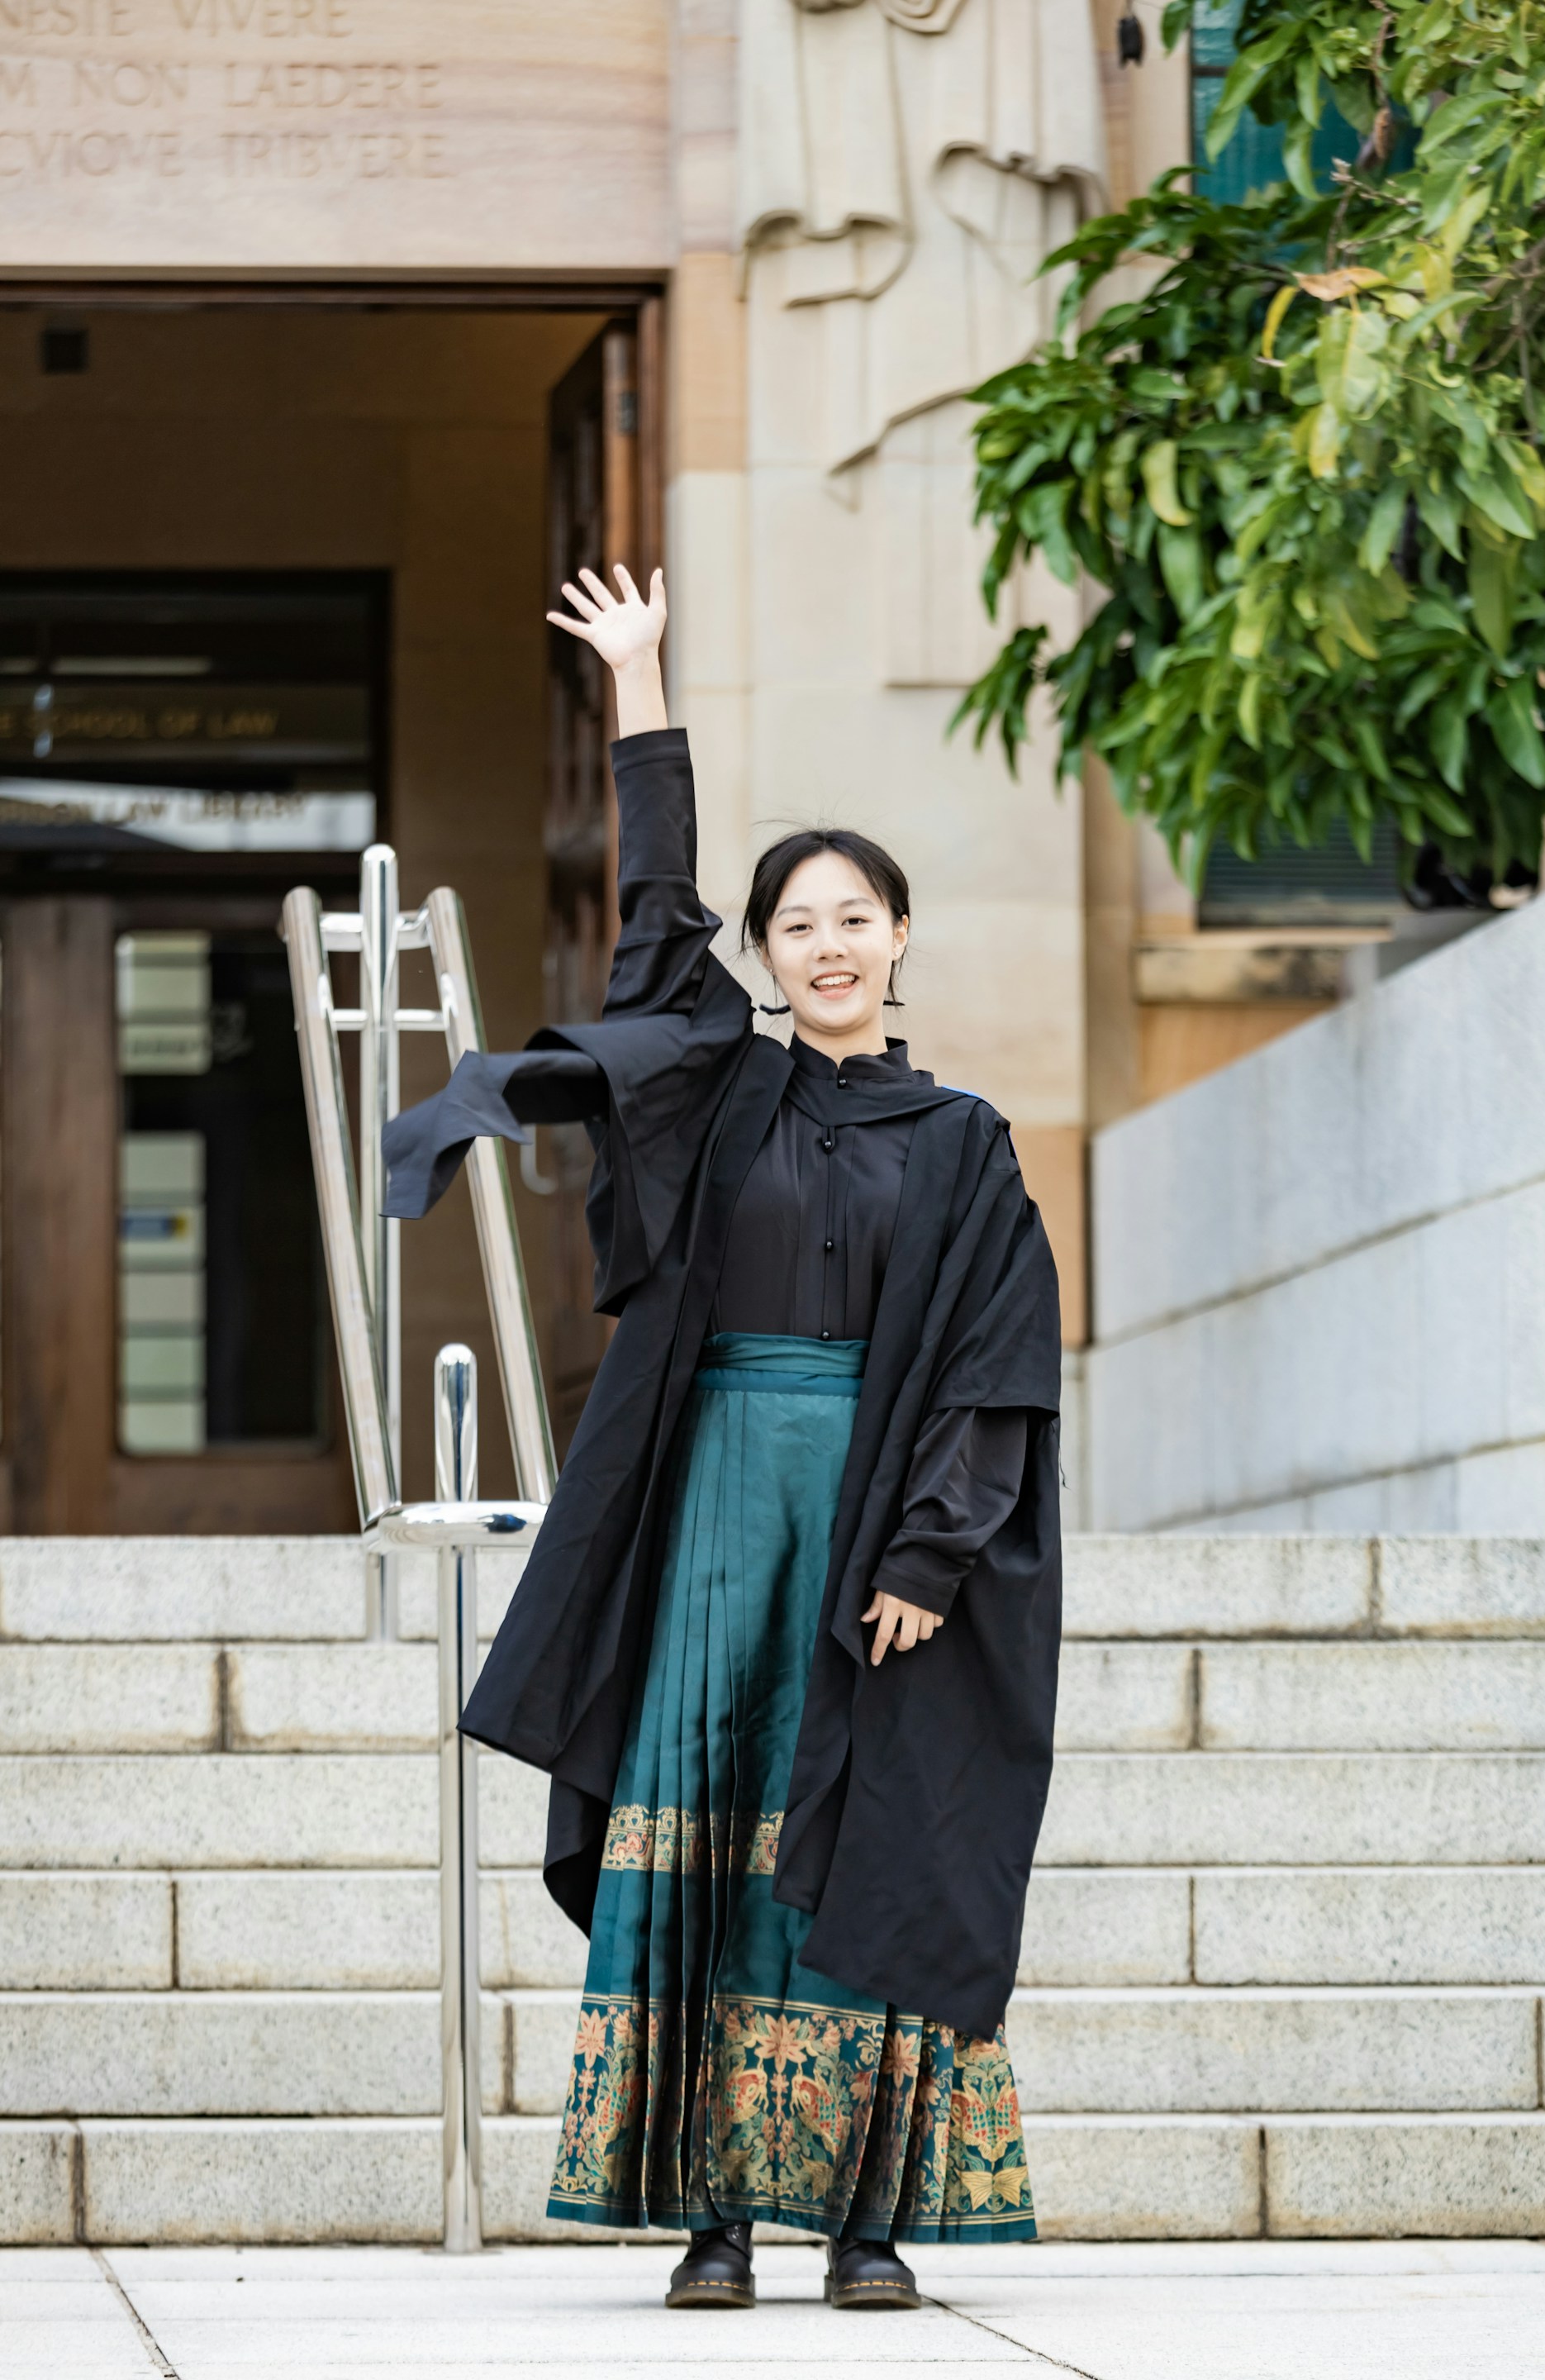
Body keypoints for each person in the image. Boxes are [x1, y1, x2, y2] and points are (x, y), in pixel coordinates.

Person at [384, 565, 1064, 2310]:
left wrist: (931, 1549)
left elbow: (997, 1365)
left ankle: (866, 2224)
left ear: (900, 936)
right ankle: (714, 2218)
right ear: (767, 960)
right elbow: (653, 913)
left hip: (872, 1526)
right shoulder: (722, 1088)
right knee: (704, 1831)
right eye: (799, 925)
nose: (829, 944)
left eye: (858, 916)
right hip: (712, 1519)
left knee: (865, 1839)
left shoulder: (966, 1143)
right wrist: (644, 687)